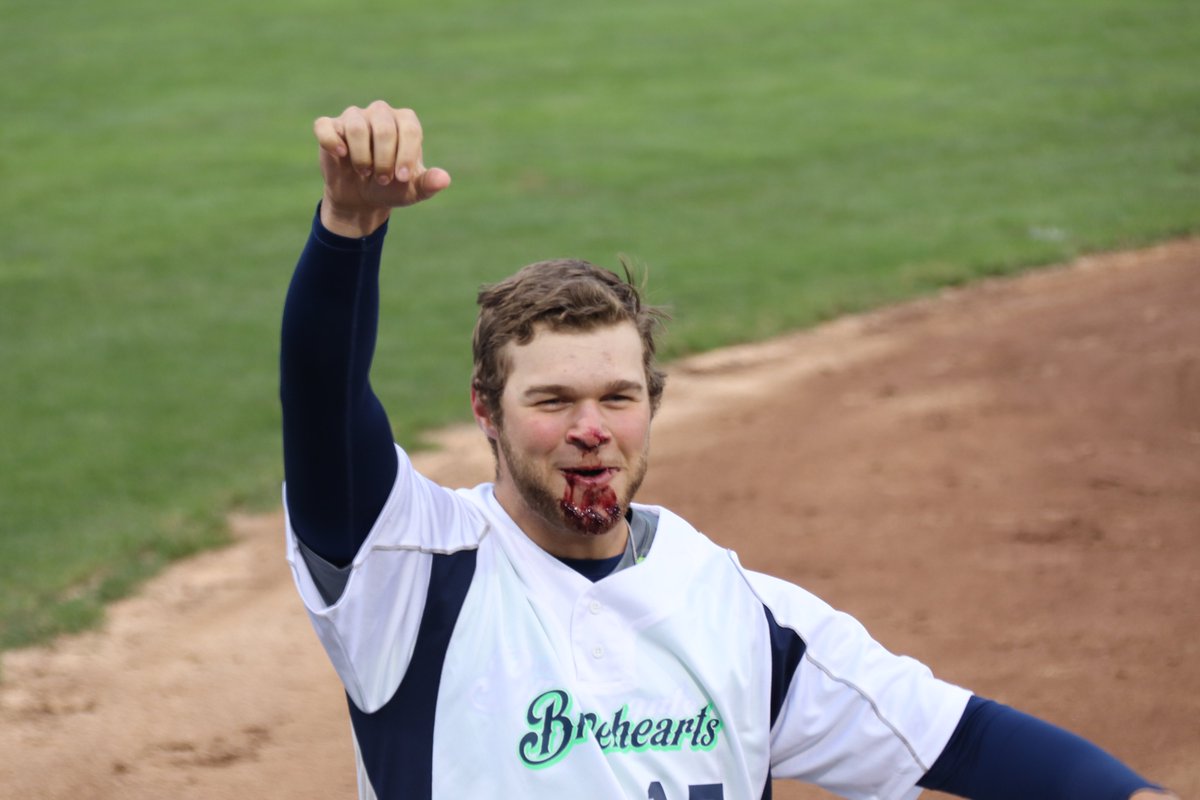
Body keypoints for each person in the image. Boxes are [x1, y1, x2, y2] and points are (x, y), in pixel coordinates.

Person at [279, 101, 1176, 800]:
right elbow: (321, 403)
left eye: (617, 398)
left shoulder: (737, 612)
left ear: (651, 406)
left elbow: (961, 741)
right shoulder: (406, 574)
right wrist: (349, 228)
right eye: (552, 400)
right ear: (486, 411)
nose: (591, 427)